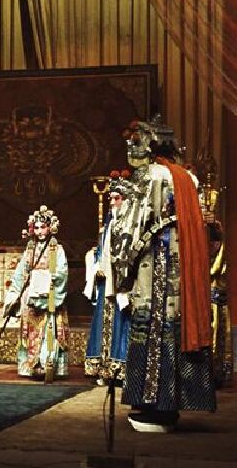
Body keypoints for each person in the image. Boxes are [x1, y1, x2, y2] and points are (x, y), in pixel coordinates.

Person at [111, 116, 216, 432]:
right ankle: (174, 403)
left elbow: (131, 224)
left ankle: (154, 405)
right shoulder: (188, 178)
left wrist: (121, 268)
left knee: (152, 327)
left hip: (154, 260)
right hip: (182, 262)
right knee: (175, 325)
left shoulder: (150, 176)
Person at [3, 205, 69, 381]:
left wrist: (49, 279)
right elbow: (21, 273)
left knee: (49, 329)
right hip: (31, 295)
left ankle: (48, 364)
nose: (40, 231)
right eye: (37, 227)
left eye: (43, 227)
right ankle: (31, 366)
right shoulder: (30, 250)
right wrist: (15, 293)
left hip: (50, 294)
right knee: (30, 330)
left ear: (50, 228)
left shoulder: (57, 249)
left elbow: (61, 272)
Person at [84, 170, 133, 385]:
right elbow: (100, 250)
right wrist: (97, 265)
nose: (112, 202)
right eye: (110, 198)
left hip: (123, 281)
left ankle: (120, 367)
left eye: (116, 198)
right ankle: (103, 367)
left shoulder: (130, 225)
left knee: (122, 322)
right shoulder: (109, 225)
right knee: (104, 322)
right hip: (106, 281)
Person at [208, 221, 232, 387]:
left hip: (218, 299)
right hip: (211, 299)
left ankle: (218, 373)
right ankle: (213, 372)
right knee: (214, 334)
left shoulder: (222, 253)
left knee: (220, 334)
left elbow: (214, 271)